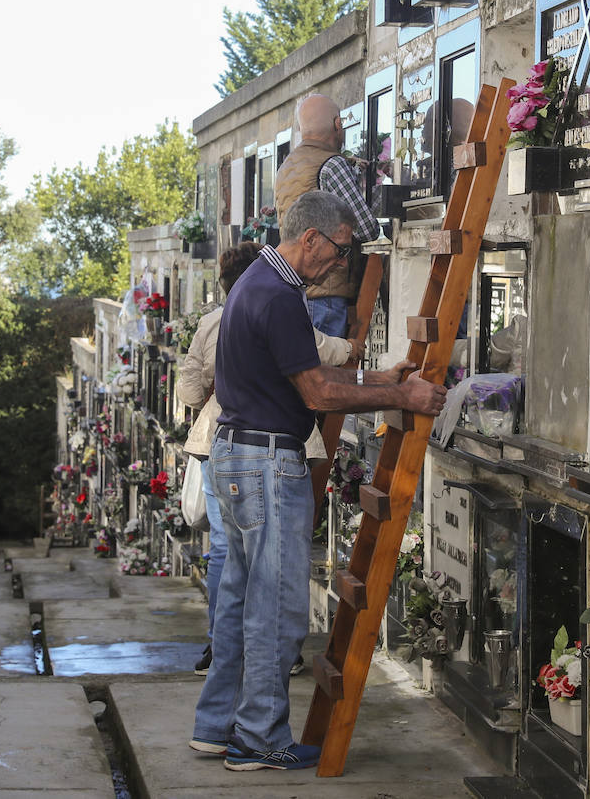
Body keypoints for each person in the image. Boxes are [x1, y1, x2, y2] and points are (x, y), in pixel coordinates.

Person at [189, 191, 446, 772]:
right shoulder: (280, 296)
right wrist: (401, 395)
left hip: (234, 455)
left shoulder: (258, 280)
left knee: (236, 598)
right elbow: (317, 394)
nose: (341, 264)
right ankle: (257, 740)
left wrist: (375, 375)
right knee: (276, 607)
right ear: (311, 239)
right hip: (267, 461)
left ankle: (216, 726)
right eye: (339, 250)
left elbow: (297, 367)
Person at [177, 242, 363, 676]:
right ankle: (275, 654)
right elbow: (323, 353)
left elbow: (188, 392)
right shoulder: (280, 306)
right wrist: (354, 348)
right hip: (273, 445)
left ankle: (220, 649)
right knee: (274, 564)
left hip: (216, 444)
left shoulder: (210, 323)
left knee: (227, 550)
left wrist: (213, 389)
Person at [274, 93, 381, 339]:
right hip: (327, 291)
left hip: (296, 286)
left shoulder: (287, 166)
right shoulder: (332, 165)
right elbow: (366, 229)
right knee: (328, 368)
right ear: (338, 124)